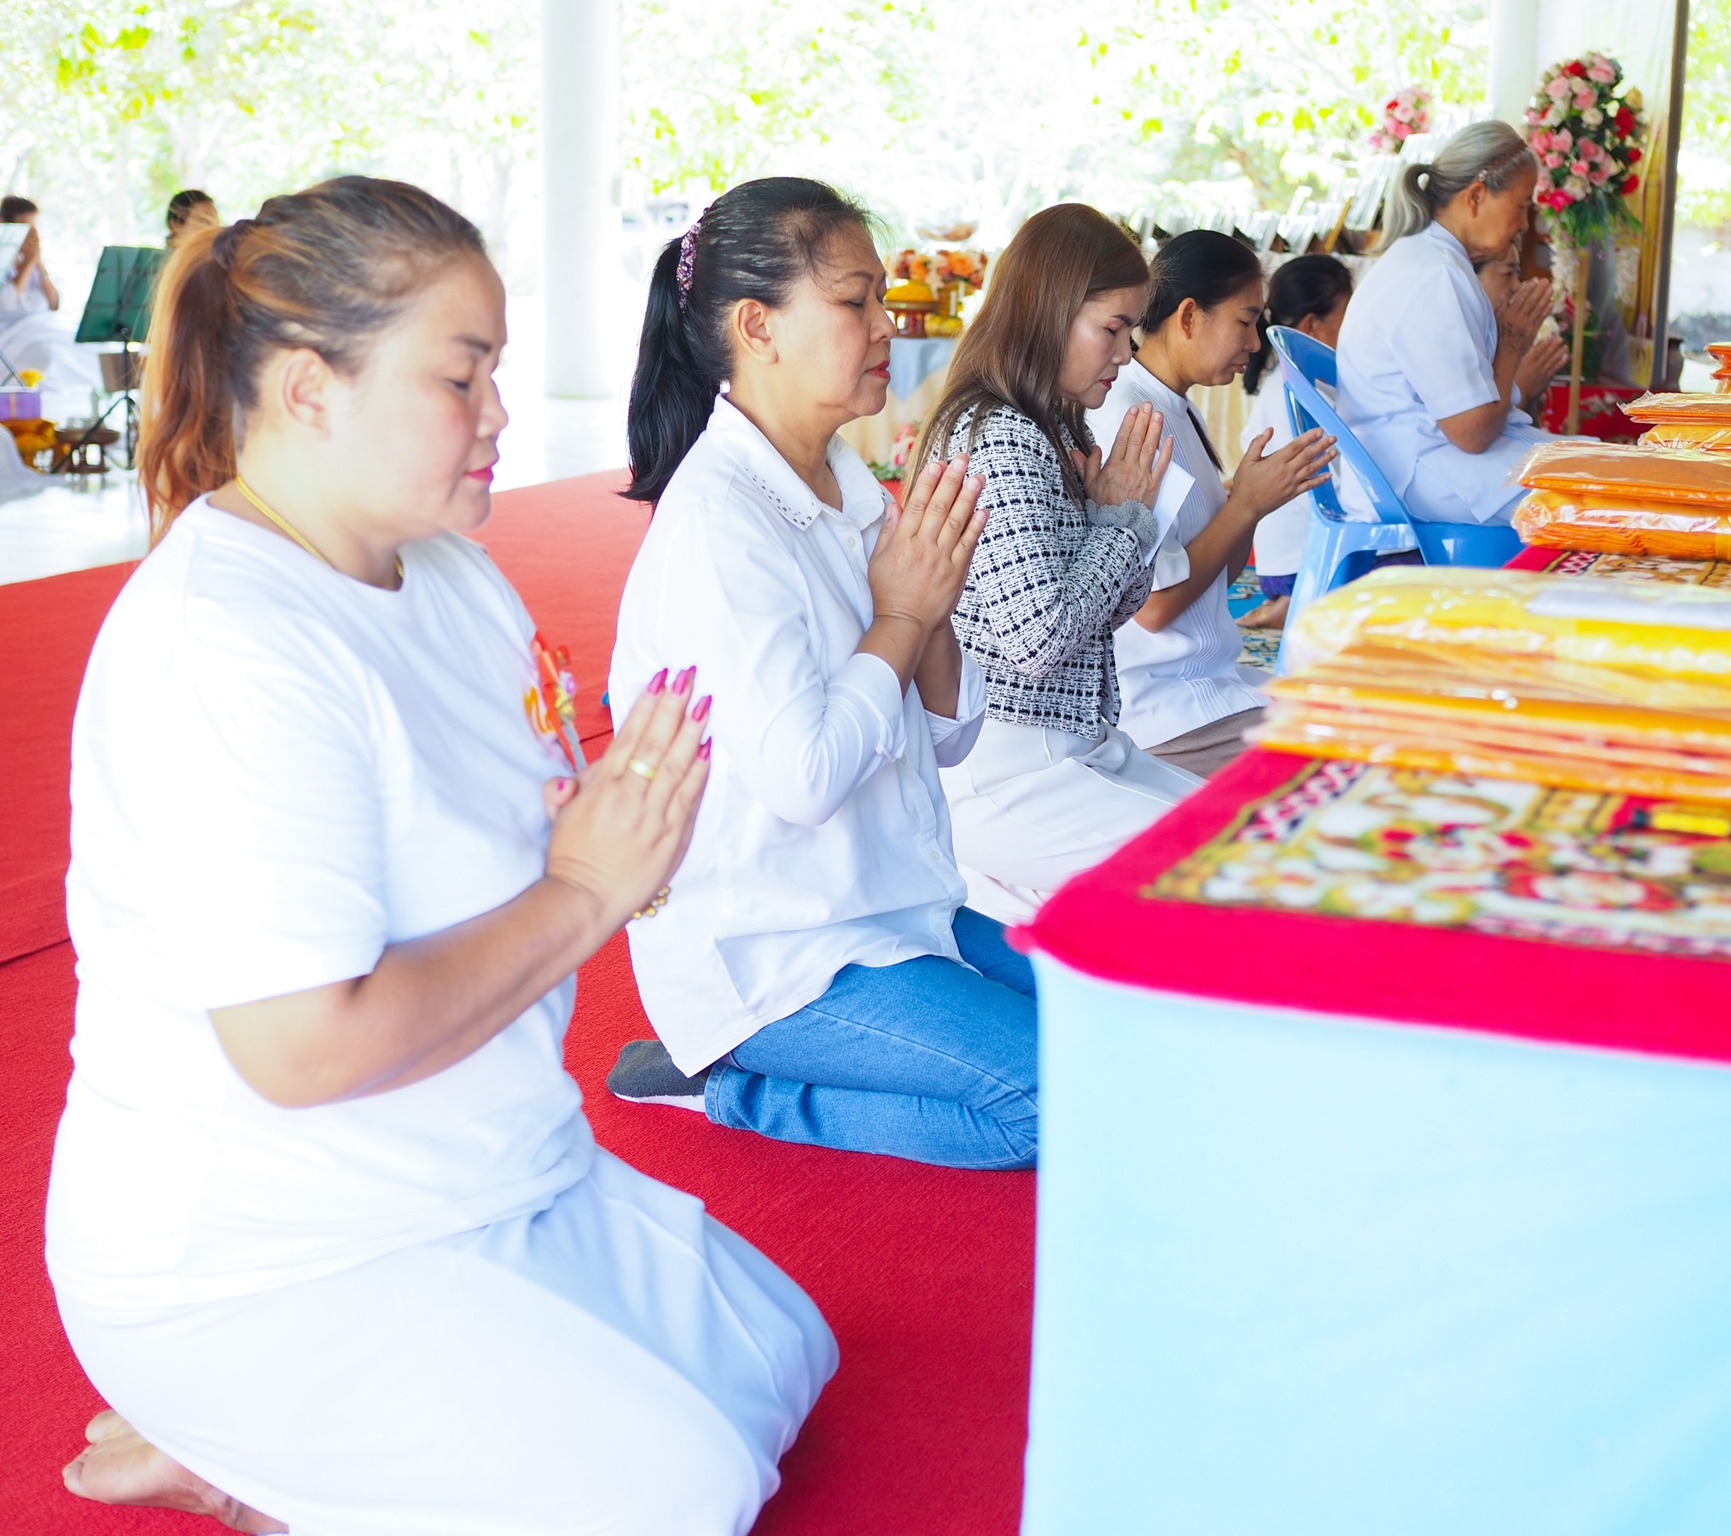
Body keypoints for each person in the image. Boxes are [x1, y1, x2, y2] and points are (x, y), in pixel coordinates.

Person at [48, 176, 833, 1535]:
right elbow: (305, 1052)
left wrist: (625, 841)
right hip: (274, 1251)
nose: (500, 420)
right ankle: (244, 1446)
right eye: (461, 379)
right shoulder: (223, 641)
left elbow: (539, 839)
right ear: (308, 390)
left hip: (498, 1164)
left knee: (785, 1359)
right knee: (688, 1493)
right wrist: (584, 888)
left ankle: (315, 1454)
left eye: (498, 376)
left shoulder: (453, 571)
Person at [604, 177, 1040, 1171]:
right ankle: (732, 1086)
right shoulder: (720, 525)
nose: (886, 325)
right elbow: (805, 778)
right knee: (1059, 1104)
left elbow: (947, 736)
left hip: (890, 902)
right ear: (756, 327)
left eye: (878, 298)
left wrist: (920, 612)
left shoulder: (850, 484)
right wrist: (902, 613)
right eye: (854, 301)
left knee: (1119, 1033)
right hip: (775, 947)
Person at [915, 203, 1202, 922]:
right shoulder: (1001, 436)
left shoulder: (1043, 421)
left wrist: (1123, 521)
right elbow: (1038, 639)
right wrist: (1121, 521)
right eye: (1112, 329)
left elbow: (1111, 608)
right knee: (1216, 865)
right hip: (1011, 767)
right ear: (1048, 312)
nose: (1127, 354)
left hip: (1071, 744)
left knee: (1236, 831)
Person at [1087, 231, 1337, 776]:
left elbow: (1218, 571)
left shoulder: (1177, 408)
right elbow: (1152, 608)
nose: (1255, 344)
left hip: (1207, 679)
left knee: (1354, 716)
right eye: (1245, 322)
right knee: (1347, 757)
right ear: (1189, 317)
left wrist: (1251, 504)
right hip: (1163, 706)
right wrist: (1244, 506)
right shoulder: (1133, 417)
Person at [1335, 119, 1555, 527]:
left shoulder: (1431, 260)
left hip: (1426, 463)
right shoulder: (1434, 274)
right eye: (1522, 205)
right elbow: (1472, 434)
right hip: (1417, 475)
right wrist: (1512, 342)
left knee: (1597, 465)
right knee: (1599, 496)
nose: (1525, 224)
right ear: (1476, 197)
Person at [1236, 252, 1354, 630]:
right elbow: (1312, 490)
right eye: (1347, 317)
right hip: (1296, 561)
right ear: (1312, 325)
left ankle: (1292, 602)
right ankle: (1295, 600)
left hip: (1292, 560)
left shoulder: (1301, 382)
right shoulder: (1291, 390)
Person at [0, 194, 102, 395]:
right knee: (50, 356)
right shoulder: (6, 261)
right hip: (14, 332)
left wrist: (38, 263)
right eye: (25, 227)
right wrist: (27, 264)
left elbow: (54, 303)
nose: (31, 235)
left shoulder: (34, 263)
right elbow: (6, 304)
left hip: (46, 324)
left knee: (90, 347)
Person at [1474, 244, 1570, 428]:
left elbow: (1526, 432)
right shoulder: (1464, 337)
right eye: (1508, 274)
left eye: (1518, 274)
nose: (1517, 285)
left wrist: (1530, 395)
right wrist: (1522, 390)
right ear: (1472, 279)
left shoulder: (1500, 335)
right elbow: (1475, 435)